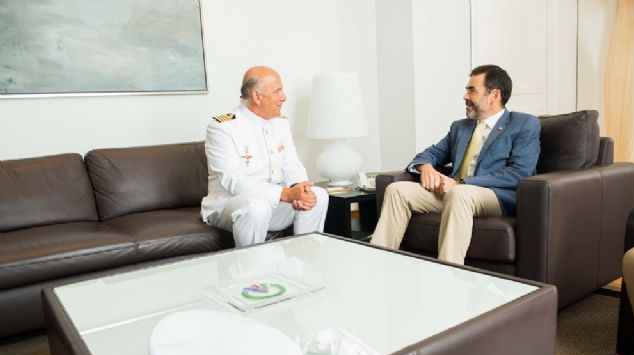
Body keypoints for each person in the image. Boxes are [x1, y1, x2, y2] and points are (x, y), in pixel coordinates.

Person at [370, 64, 540, 264]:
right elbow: (430, 154)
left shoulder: (523, 124)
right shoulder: (460, 127)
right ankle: (378, 265)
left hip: (494, 195)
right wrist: (426, 167)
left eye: (472, 90)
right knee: (397, 190)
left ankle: (446, 273)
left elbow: (520, 173)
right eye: (467, 90)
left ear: (495, 95)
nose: (465, 96)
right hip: (453, 192)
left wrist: (461, 184)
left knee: (459, 194)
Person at [201, 66, 328, 247]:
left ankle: (305, 257)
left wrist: (300, 190)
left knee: (318, 196)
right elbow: (233, 181)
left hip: (273, 203)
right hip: (230, 205)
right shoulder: (223, 127)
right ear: (257, 96)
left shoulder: (280, 123)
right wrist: (285, 194)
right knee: (257, 206)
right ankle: (253, 265)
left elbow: (292, 164)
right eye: (277, 91)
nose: (284, 97)